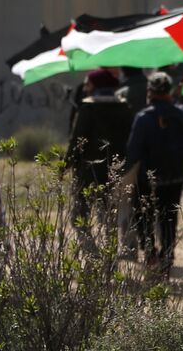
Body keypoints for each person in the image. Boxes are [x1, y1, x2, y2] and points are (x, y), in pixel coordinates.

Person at [125, 73, 183, 277]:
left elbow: (133, 151)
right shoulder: (182, 114)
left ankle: (150, 253)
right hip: (175, 175)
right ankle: (167, 256)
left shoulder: (144, 118)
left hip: (148, 178)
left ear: (150, 92)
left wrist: (126, 173)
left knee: (144, 215)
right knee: (169, 217)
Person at [66, 71, 134, 254]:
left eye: (88, 84)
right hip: (115, 170)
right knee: (108, 216)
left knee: (79, 217)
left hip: (87, 172)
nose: (85, 88)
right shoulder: (125, 108)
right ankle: (110, 257)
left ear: (95, 86)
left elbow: (77, 140)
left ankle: (91, 252)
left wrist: (65, 165)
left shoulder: (88, 108)